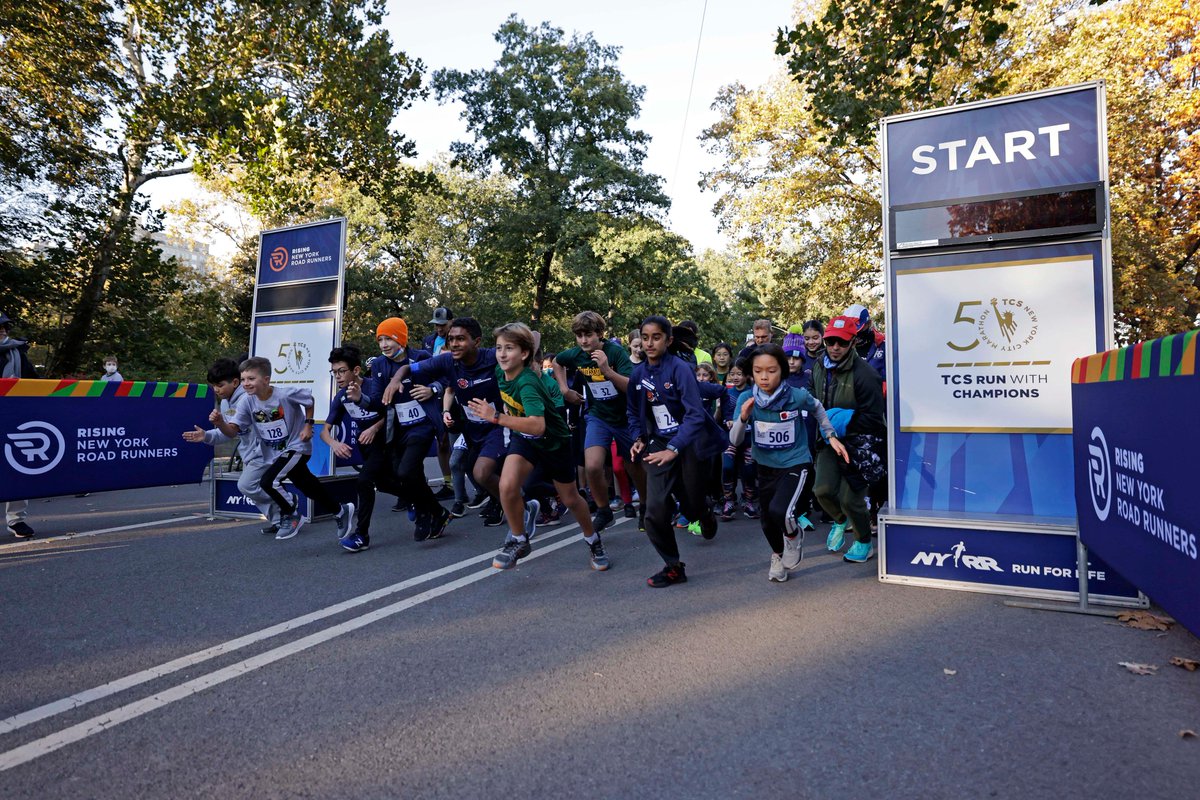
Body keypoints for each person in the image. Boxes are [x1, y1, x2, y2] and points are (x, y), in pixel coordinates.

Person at [468, 322, 607, 572]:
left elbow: (538, 426)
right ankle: (520, 540)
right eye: (499, 347)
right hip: (525, 438)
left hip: (553, 442)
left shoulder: (528, 383)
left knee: (571, 498)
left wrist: (496, 416)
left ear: (523, 354)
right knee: (507, 485)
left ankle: (593, 540)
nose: (501, 353)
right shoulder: (501, 372)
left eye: (508, 348)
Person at [729, 344, 846, 581]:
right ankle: (778, 556)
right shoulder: (746, 398)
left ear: (782, 371)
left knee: (779, 511)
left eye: (771, 370)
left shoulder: (796, 395)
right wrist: (743, 417)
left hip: (795, 461)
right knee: (767, 520)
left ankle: (793, 537)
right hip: (764, 466)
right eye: (758, 370)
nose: (764, 376)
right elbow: (735, 440)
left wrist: (830, 435)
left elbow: (818, 409)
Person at [627, 316, 726, 588]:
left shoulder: (680, 369)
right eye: (645, 337)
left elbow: (695, 416)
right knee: (654, 510)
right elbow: (634, 412)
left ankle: (704, 512)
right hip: (658, 444)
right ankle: (673, 566)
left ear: (668, 340)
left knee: (692, 507)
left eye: (656, 337)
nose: (649, 343)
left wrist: (675, 447)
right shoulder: (638, 374)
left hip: (689, 442)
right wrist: (638, 437)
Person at [212, 356, 355, 541]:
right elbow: (232, 431)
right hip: (279, 452)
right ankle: (340, 510)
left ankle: (291, 513)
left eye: (251, 379)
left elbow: (309, 400)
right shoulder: (247, 402)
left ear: (266, 380)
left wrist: (308, 425)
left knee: (268, 482)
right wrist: (220, 423)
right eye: (244, 379)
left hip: (297, 447)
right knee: (308, 486)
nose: (246, 384)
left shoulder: (284, 395)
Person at [387, 317, 507, 527]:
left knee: (482, 471)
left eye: (460, 339)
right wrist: (395, 380)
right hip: (471, 428)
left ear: (477, 342)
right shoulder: (447, 360)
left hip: (498, 426)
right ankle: (507, 501)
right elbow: (408, 368)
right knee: (472, 467)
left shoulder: (493, 356)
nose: (453, 344)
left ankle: (517, 504)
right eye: (451, 339)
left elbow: (525, 349)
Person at [553, 311, 644, 535]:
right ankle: (604, 511)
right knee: (592, 465)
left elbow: (631, 387)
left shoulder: (615, 352)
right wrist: (565, 389)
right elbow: (557, 362)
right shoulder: (576, 354)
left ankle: (647, 507)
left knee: (634, 467)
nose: (584, 340)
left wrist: (607, 371)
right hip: (598, 415)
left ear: (600, 334)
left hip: (624, 418)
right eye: (579, 335)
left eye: (589, 335)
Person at [183, 357, 292, 535]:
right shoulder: (226, 402)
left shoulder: (248, 398)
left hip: (264, 451)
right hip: (249, 453)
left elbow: (235, 429)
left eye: (220, 385)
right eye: (214, 386)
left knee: (246, 486)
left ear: (234, 382)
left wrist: (219, 426)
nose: (216, 390)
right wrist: (206, 436)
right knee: (255, 487)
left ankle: (287, 502)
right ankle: (280, 520)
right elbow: (229, 433)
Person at [810, 315, 887, 563]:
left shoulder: (866, 374)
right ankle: (840, 522)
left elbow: (875, 420)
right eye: (830, 340)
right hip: (828, 440)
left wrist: (843, 418)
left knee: (850, 499)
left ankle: (864, 542)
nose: (835, 347)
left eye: (841, 342)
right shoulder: (819, 366)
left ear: (852, 342)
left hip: (859, 444)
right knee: (821, 490)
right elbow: (813, 395)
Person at [373, 317, 451, 540]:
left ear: (401, 339)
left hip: (423, 425)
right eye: (380, 340)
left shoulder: (421, 357)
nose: (384, 345)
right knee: (405, 475)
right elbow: (379, 401)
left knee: (407, 471)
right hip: (398, 428)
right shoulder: (379, 365)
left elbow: (446, 377)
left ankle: (426, 512)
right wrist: (361, 399)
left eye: (389, 338)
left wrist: (432, 390)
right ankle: (435, 511)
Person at [321, 344, 401, 553]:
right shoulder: (340, 397)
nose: (337, 377)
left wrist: (374, 428)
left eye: (341, 371)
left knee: (364, 481)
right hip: (365, 445)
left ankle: (361, 535)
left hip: (385, 441)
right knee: (383, 484)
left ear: (356, 370)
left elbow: (390, 412)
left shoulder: (374, 386)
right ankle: (421, 501)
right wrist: (334, 443)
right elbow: (325, 432)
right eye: (334, 372)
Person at [1, 310, 38, 539]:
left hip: (14, 418)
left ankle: (16, 520)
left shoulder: (17, 353)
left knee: (17, 467)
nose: (3, 329)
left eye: (5, 326)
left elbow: (35, 383)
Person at [720, 361, 757, 520]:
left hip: (749, 439)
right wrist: (728, 420)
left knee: (749, 470)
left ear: (747, 375)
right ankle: (728, 500)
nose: (735, 377)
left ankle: (748, 501)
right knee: (727, 467)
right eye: (732, 374)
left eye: (739, 374)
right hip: (730, 438)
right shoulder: (726, 392)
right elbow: (723, 414)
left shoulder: (753, 393)